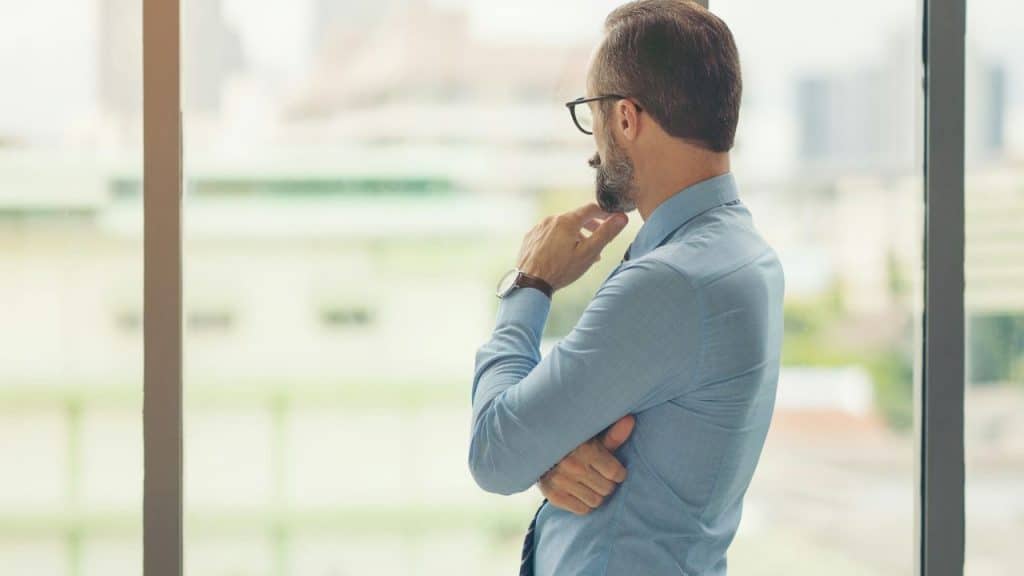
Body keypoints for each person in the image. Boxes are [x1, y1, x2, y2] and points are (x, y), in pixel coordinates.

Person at [468, 1, 784, 574]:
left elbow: (494, 452)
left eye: (593, 112)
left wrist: (529, 284)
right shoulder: (742, 256)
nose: (594, 142)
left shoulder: (670, 284)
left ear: (626, 119)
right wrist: (550, 449)